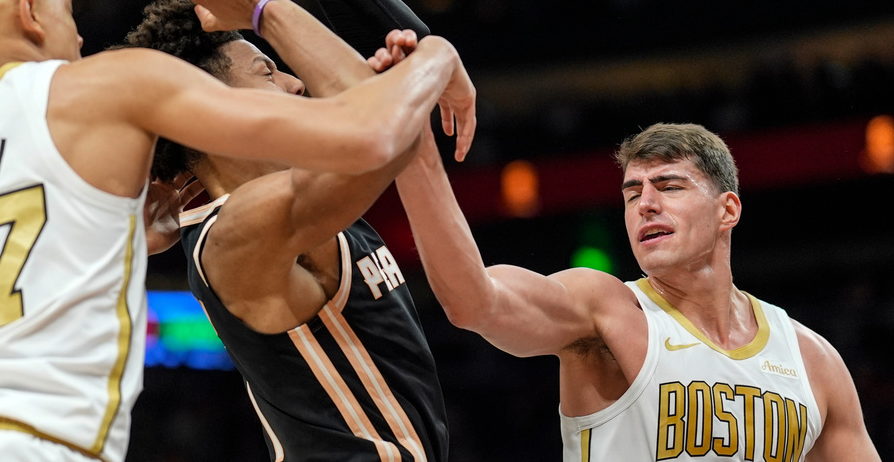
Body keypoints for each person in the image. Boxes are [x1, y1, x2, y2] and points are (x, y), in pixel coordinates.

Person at [0, 0, 474, 461]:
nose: (81, 38)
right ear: (32, 14)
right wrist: (435, 54)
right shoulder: (103, 91)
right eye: (69, 11)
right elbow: (370, 135)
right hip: (28, 439)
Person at [125, 0, 460, 460]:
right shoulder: (234, 235)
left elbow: (389, 76)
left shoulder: (293, 193)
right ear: (212, 110)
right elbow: (380, 127)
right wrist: (258, 1)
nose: (298, 85)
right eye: (267, 71)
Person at [377, 100, 882, 461]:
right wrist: (416, 148)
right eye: (632, 192)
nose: (646, 204)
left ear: (727, 209)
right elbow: (474, 301)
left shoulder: (811, 359)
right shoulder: (606, 309)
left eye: (669, 186)